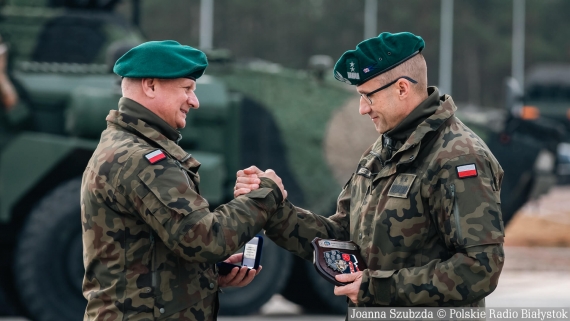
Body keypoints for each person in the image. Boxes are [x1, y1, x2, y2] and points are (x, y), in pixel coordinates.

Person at [235, 32, 505, 308]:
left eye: (368, 96)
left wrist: (379, 287)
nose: (362, 109)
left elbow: (479, 268)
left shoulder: (458, 157)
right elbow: (341, 238)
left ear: (402, 88)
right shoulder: (382, 150)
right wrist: (275, 210)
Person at [81, 40, 287, 321]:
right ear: (150, 86)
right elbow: (204, 239)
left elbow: (149, 250)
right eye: (187, 89)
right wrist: (265, 194)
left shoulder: (122, 146)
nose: (195, 101)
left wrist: (206, 272)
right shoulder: (142, 160)